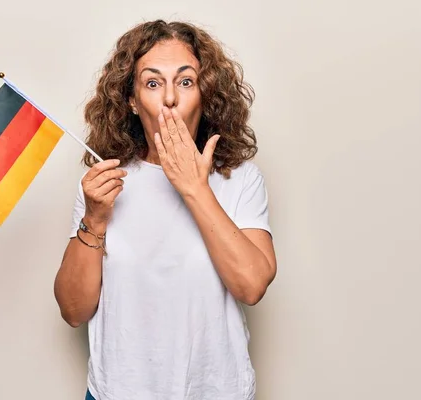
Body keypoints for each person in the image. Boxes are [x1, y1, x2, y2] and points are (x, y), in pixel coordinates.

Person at [54, 19, 277, 400]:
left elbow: (252, 285)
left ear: (205, 95)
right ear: (131, 99)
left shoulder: (240, 179)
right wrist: (94, 219)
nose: (170, 98)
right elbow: (74, 311)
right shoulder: (105, 183)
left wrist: (194, 188)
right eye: (153, 83)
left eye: (186, 81)